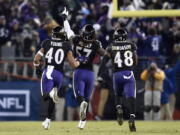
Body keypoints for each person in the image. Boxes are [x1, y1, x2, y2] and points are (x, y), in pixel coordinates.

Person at [61, 8, 106, 129]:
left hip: (79, 71)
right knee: (86, 99)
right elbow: (105, 55)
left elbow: (68, 30)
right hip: (91, 73)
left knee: (79, 97)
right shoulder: (96, 44)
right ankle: (82, 122)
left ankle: (82, 116)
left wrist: (65, 18)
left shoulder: (76, 39)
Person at [33, 25, 80, 129]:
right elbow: (73, 64)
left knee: (45, 96)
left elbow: (36, 59)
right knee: (52, 100)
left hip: (49, 71)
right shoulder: (66, 44)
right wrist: (79, 62)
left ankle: (50, 93)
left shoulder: (46, 42)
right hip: (59, 74)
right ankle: (47, 121)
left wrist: (37, 68)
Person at [100, 28, 138, 132]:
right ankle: (132, 118)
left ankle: (119, 108)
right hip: (128, 74)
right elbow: (135, 60)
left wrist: (100, 73)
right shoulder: (131, 44)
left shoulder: (111, 46)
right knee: (131, 97)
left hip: (117, 74)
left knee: (118, 95)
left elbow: (104, 61)